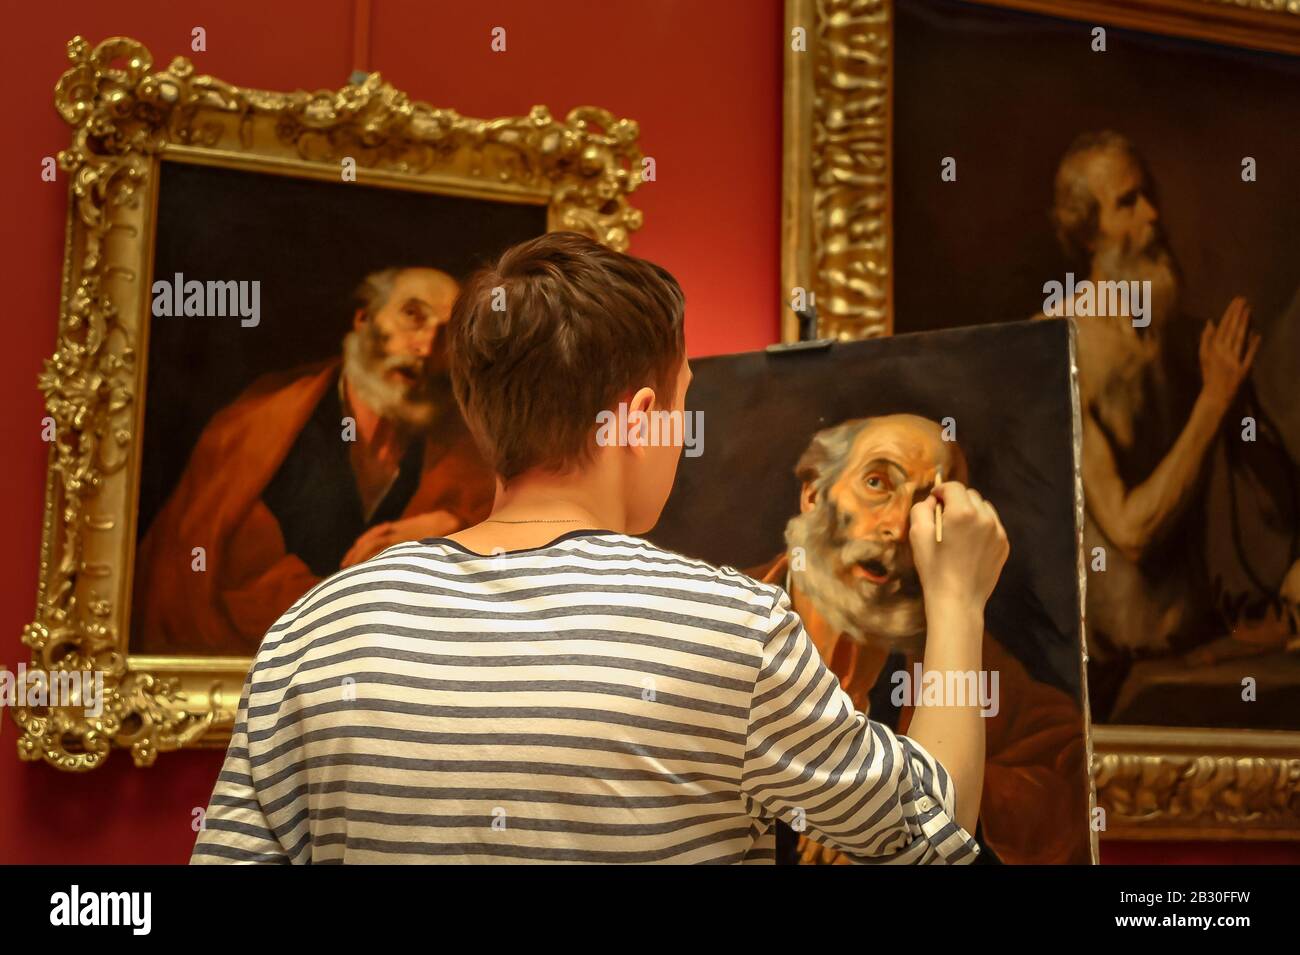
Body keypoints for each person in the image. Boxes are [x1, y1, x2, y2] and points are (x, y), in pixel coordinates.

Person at [192, 231, 1008, 864]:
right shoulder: (733, 628)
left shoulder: (319, 621)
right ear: (643, 415)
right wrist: (959, 601)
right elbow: (932, 836)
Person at [752, 415, 1090, 864]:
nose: (896, 527)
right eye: (877, 483)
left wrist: (878, 811)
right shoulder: (726, 620)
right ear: (814, 495)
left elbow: (1062, 777)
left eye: (925, 504)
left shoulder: (951, 651)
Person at [134, 267, 494, 655]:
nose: (426, 348)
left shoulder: (467, 447)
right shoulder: (255, 427)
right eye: (412, 317)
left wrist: (450, 530)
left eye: (447, 333)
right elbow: (208, 580)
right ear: (364, 318)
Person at [1037, 131, 1261, 705]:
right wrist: (1214, 403)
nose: (1154, 216)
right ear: (1089, 232)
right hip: (1110, 678)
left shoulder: (1178, 339)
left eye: (1149, 195)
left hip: (1190, 651)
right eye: (1128, 203)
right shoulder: (1057, 343)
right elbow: (1132, 532)